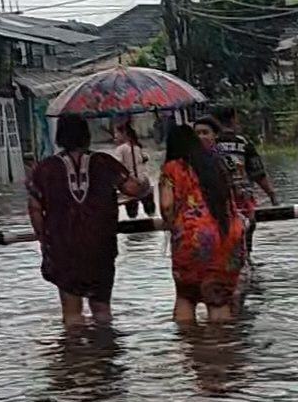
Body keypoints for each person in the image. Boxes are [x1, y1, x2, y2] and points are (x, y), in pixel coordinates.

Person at [27, 114, 150, 327]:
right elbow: (133, 189)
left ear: (59, 136)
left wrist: (44, 239)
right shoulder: (104, 162)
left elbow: (35, 208)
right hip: (100, 244)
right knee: (102, 311)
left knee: (72, 315)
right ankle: (105, 346)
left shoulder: (44, 169)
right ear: (86, 135)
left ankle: (74, 348)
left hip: (63, 246)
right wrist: (144, 183)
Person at [159, 124, 246, 323]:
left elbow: (166, 206)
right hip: (228, 235)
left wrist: (173, 225)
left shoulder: (172, 168)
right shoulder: (217, 164)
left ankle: (191, 341)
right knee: (218, 299)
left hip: (193, 237)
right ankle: (222, 341)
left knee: (186, 297)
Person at [211, 106, 277, 265]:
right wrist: (271, 194)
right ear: (233, 119)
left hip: (216, 196)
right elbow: (257, 172)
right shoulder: (244, 143)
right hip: (242, 196)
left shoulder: (209, 143)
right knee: (248, 225)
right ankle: (246, 256)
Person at [112, 120, 156, 219]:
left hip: (132, 187)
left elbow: (117, 166)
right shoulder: (137, 147)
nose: (115, 136)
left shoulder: (121, 149)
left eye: (117, 133)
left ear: (124, 134)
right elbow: (144, 158)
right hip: (145, 183)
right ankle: (150, 213)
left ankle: (132, 215)